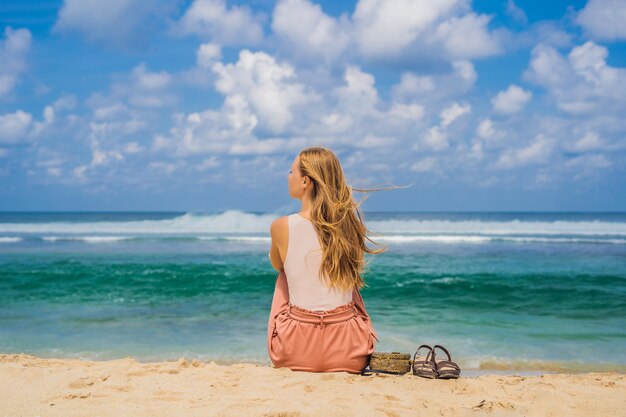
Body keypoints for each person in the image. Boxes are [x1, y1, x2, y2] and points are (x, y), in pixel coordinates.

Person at [267, 146, 394, 373]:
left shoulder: (281, 226)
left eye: (291, 172)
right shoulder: (349, 226)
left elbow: (278, 265)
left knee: (283, 277)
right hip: (349, 352)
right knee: (340, 273)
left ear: (305, 181)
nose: (288, 177)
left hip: (294, 350)